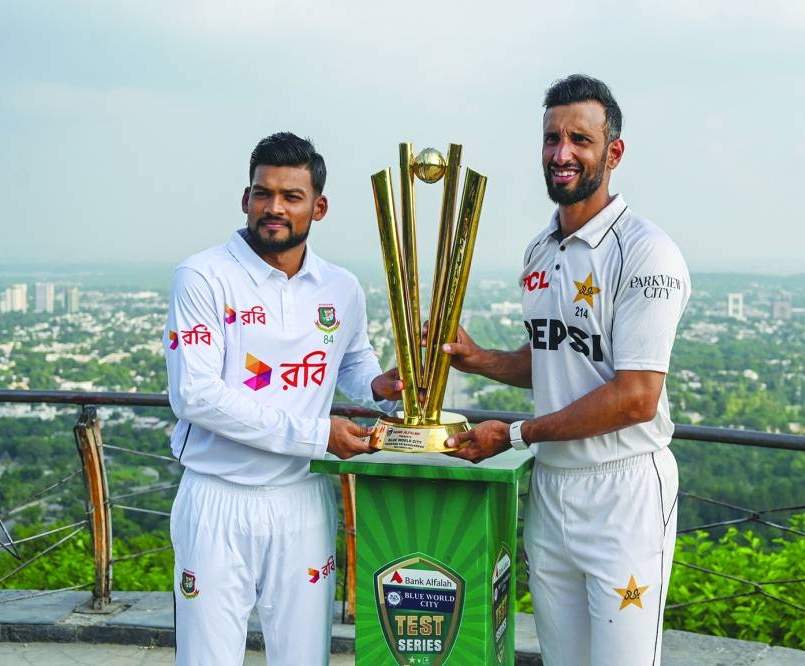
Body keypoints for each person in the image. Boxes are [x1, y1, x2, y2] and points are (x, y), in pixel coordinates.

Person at [443, 75, 691, 665]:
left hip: (623, 489)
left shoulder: (645, 250)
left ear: (614, 151)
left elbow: (636, 397)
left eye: (580, 138)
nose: (562, 153)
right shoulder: (540, 250)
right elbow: (556, 362)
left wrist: (515, 434)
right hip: (553, 487)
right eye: (552, 138)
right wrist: (477, 359)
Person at [163, 131, 401, 665]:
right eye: (262, 193)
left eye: (291, 196)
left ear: (318, 206)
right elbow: (195, 396)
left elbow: (353, 362)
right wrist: (319, 435)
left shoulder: (339, 287)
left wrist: (381, 388)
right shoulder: (202, 276)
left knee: (304, 658)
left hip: (303, 499)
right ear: (245, 199)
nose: (274, 208)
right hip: (217, 496)